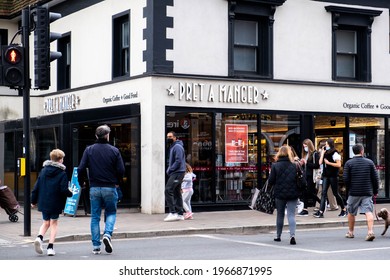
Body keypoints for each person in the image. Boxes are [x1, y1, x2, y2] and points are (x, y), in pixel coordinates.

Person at [78, 124, 125, 255]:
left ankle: (96, 246)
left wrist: (82, 182)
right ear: (107, 135)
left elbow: (81, 168)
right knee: (111, 213)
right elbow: (121, 170)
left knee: (95, 217)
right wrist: (117, 182)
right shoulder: (114, 150)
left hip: (94, 187)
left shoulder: (89, 150)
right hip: (110, 187)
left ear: (96, 136)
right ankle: (107, 234)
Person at [31, 149, 73, 256]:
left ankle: (39, 238)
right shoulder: (62, 173)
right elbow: (64, 189)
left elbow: (36, 187)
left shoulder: (43, 171)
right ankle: (50, 248)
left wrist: (33, 201)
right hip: (56, 202)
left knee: (46, 223)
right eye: (62, 158)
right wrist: (70, 193)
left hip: (44, 201)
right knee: (54, 223)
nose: (63, 160)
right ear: (60, 160)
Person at [343, 143, 379, 241]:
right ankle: (370, 232)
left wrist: (349, 188)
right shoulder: (370, 162)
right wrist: (375, 190)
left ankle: (350, 232)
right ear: (362, 151)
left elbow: (345, 179)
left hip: (353, 192)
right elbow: (375, 178)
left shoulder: (348, 163)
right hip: (367, 191)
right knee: (368, 211)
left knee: (351, 212)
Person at [268, 145, 300, 245]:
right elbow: (301, 180)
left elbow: (271, 181)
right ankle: (292, 235)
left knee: (280, 215)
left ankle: (278, 236)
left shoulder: (275, 166)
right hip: (293, 193)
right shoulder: (295, 165)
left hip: (279, 193)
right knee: (291, 215)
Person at [314, 138, 347, 218]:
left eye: (326, 144)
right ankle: (321, 211)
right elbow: (320, 162)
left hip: (333, 175)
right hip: (325, 175)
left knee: (335, 193)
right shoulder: (325, 153)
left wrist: (329, 163)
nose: (325, 146)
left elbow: (339, 165)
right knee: (323, 193)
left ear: (330, 145)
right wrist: (322, 153)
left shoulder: (335, 153)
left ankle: (344, 209)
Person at [164, 131, 186, 222]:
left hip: (177, 173)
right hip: (178, 172)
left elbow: (178, 161)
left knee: (168, 190)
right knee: (177, 192)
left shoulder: (177, 147)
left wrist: (170, 169)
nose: (168, 138)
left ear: (175, 137)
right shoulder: (174, 146)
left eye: (170, 137)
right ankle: (180, 214)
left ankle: (173, 212)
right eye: (167, 137)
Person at [296, 139, 321, 216]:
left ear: (309, 145)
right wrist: (301, 162)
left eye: (306, 146)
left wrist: (307, 163)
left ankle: (320, 202)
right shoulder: (306, 154)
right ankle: (306, 209)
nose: (305, 148)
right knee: (306, 192)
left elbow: (317, 165)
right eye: (304, 146)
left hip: (311, 176)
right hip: (306, 175)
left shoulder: (315, 154)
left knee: (308, 192)